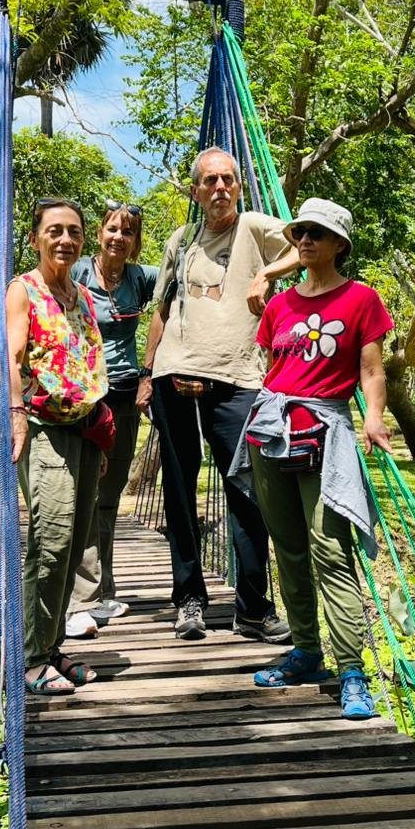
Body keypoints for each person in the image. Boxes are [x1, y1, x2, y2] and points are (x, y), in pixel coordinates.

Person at [229, 198, 394, 720]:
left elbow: (370, 370)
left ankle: (351, 670)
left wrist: (373, 417)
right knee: (288, 548)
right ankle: (305, 651)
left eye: (316, 234)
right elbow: (275, 368)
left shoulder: (362, 299)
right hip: (272, 434)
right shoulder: (280, 307)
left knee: (330, 550)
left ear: (339, 244)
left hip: (326, 433)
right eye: (300, 232)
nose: (304, 241)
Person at [136, 147, 300, 642]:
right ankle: (188, 600)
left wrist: (266, 274)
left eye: (228, 179)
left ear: (239, 186)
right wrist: (147, 373)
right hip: (172, 377)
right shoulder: (180, 241)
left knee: (249, 494)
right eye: (210, 181)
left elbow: (303, 246)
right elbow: (162, 310)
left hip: (238, 381)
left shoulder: (251, 226)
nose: (220, 188)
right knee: (180, 494)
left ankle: (253, 607)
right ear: (195, 191)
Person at [6, 198, 113, 695]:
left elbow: (90, 362)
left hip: (86, 430)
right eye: (54, 230)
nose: (64, 239)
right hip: (45, 426)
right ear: (35, 238)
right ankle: (30, 660)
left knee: (72, 547)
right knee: (49, 544)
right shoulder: (23, 289)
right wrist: (16, 416)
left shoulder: (83, 296)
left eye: (73, 231)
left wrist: (103, 431)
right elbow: (12, 357)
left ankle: (48, 647)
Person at [64, 200, 157, 639]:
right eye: (113, 229)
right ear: (100, 233)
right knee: (83, 489)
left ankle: (103, 588)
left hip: (123, 396)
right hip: (86, 397)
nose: (119, 237)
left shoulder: (140, 279)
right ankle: (78, 595)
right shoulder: (78, 271)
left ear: (136, 242)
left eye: (129, 232)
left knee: (109, 494)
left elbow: (183, 277)